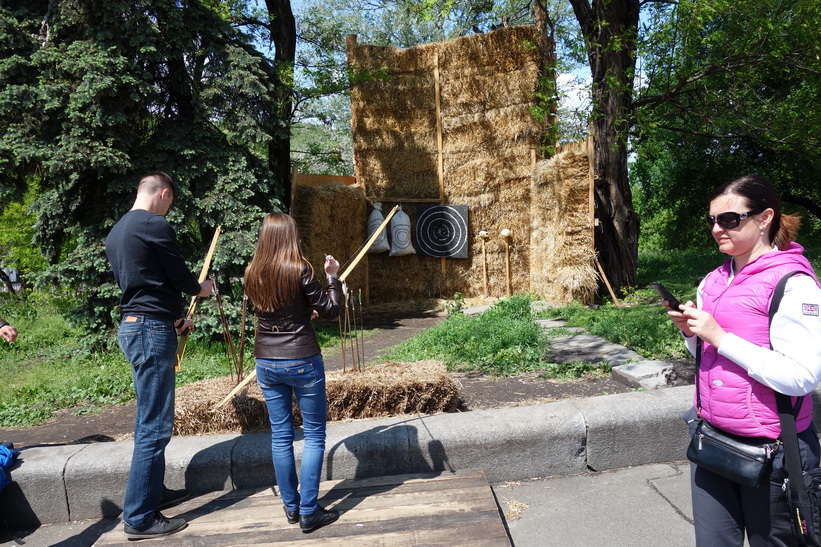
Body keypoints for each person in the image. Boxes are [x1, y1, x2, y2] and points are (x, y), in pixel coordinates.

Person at [664, 174, 821, 546]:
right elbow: (708, 357)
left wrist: (720, 336)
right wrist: (693, 334)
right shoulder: (713, 281)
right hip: (713, 441)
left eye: (730, 219)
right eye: (712, 220)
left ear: (765, 218)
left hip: (774, 451)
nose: (717, 228)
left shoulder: (793, 284)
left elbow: (802, 376)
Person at [105, 172, 214, 540]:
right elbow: (179, 278)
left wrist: (175, 319)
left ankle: (152, 492)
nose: (168, 210)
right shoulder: (154, 224)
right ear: (164, 193)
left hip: (137, 326)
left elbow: (146, 286)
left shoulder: (117, 231)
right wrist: (202, 288)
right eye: (170, 202)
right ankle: (139, 517)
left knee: (148, 419)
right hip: (149, 331)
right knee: (155, 425)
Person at [244, 213, 342, 533]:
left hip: (266, 362)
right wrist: (332, 277)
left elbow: (272, 310)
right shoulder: (300, 268)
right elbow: (331, 311)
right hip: (302, 359)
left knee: (281, 436)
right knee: (313, 436)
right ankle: (309, 511)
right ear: (290, 236)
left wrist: (301, 312)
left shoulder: (252, 272)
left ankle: (291, 506)